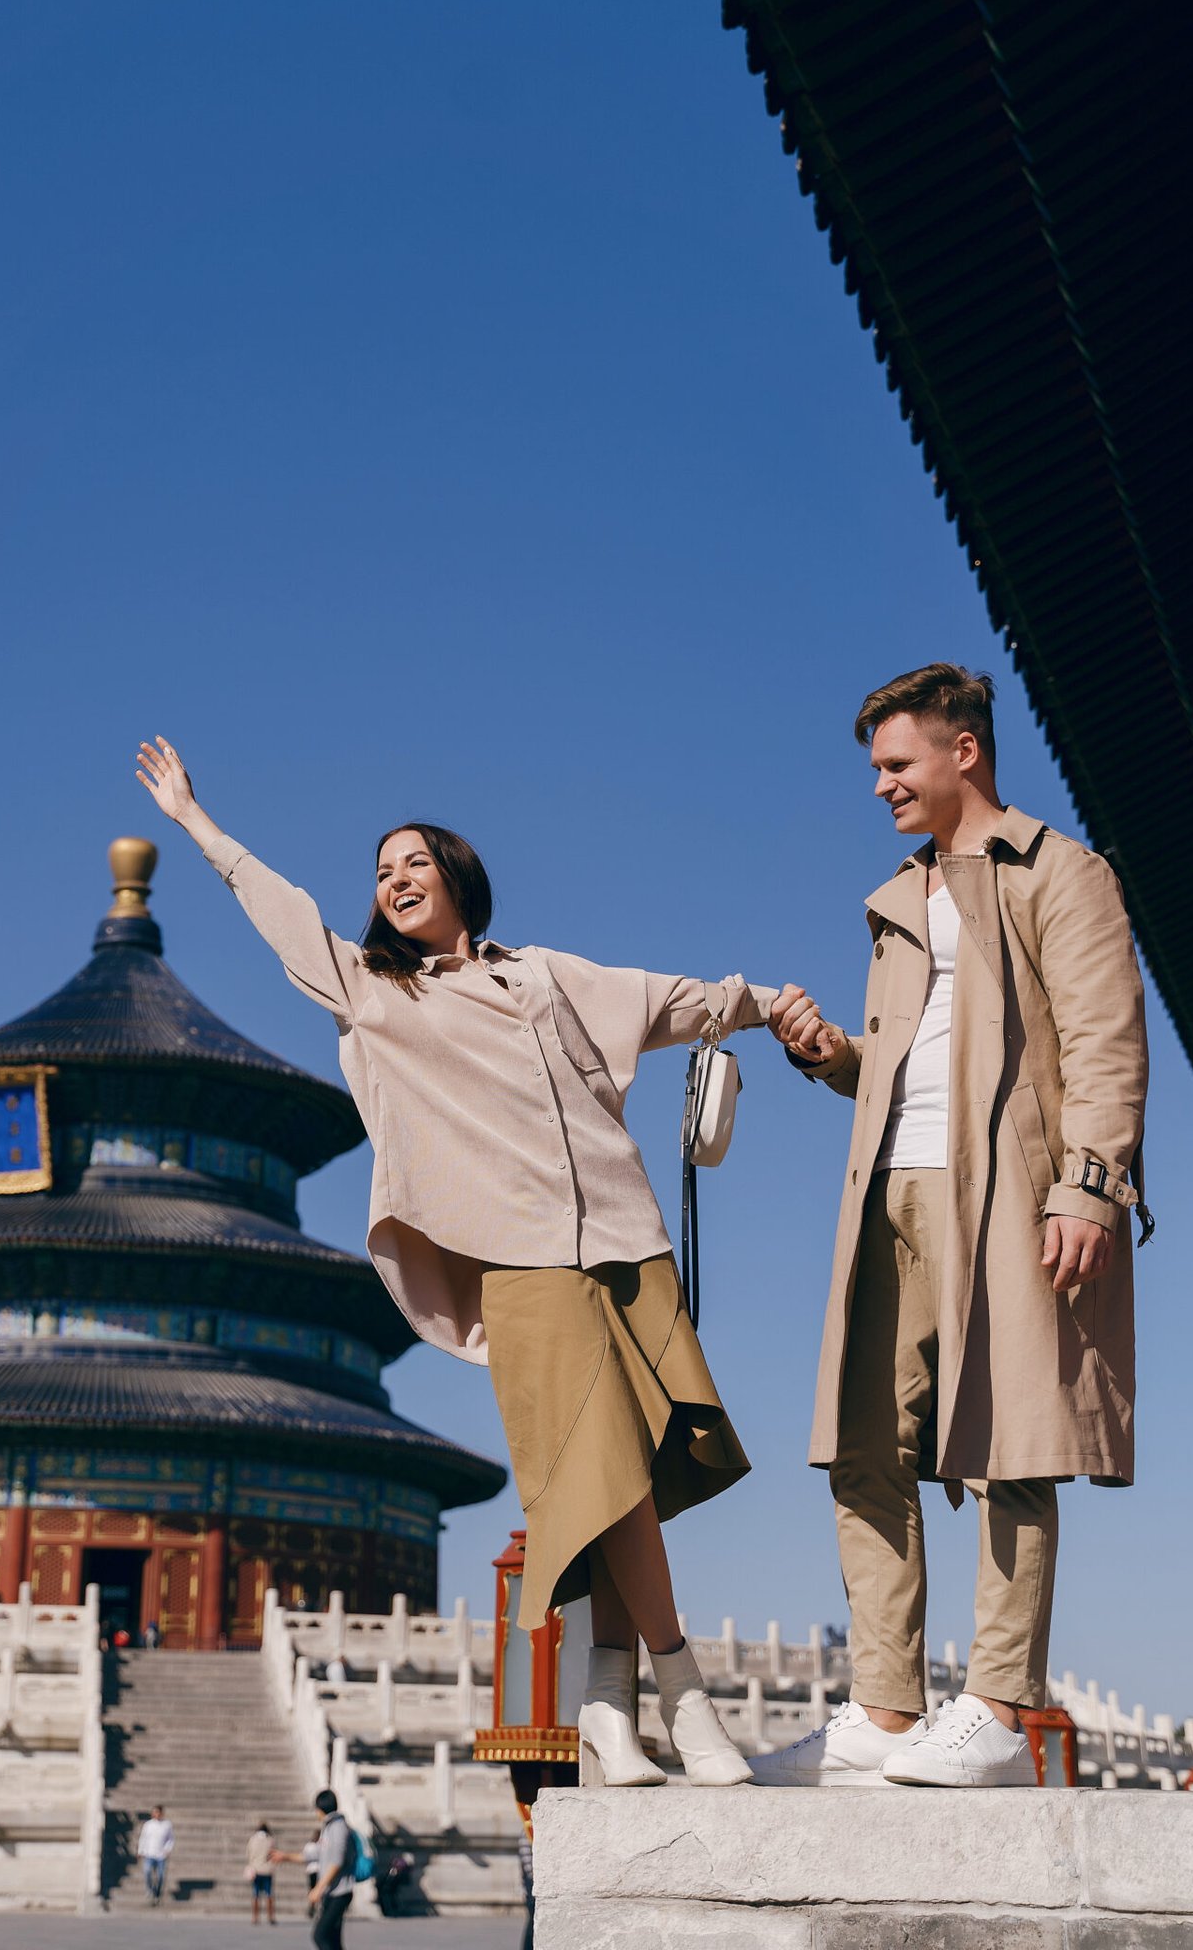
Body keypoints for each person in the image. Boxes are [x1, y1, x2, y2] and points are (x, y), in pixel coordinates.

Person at [136, 735, 781, 1789]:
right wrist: (198, 825)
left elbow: (676, 1003)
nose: (391, 883)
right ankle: (685, 1693)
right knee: (599, 1473)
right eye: (380, 873)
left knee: (638, 1478)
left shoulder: (547, 975)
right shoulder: (380, 993)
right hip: (520, 1260)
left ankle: (607, 1721)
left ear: (458, 880)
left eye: (412, 866)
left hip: (627, 1238)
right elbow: (287, 917)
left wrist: (770, 1006)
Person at [758, 665, 1149, 1790]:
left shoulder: (1059, 874)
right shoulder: (897, 898)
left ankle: (994, 1708)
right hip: (886, 1190)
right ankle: (882, 1715)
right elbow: (913, 1065)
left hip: (1013, 1195)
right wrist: (833, 1058)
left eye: (895, 764)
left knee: (1012, 1444)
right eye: (874, 769)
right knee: (860, 1444)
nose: (879, 787)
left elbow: (1104, 1039)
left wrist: (1088, 1182)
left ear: (962, 751)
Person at [306, 1789, 356, 1950]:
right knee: (334, 1940)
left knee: (320, 1935)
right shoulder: (328, 1827)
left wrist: (318, 1889)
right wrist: (285, 1856)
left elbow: (336, 1862)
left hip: (340, 1892)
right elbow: (317, 1854)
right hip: (332, 1892)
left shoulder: (338, 1827)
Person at [137, 1805, 175, 1903]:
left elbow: (171, 1838)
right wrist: (141, 1850)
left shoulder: (167, 1825)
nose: (155, 1814)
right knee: (147, 1872)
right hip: (149, 1853)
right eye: (154, 1812)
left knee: (161, 1875)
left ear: (161, 1813)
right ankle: (150, 1890)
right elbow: (143, 1838)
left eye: (157, 1812)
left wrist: (167, 1849)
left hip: (161, 1855)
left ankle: (157, 1892)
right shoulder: (148, 1825)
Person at [244, 1820, 277, 1925]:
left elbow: (248, 1854)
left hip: (256, 1870)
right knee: (269, 1894)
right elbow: (274, 1854)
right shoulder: (271, 1840)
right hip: (267, 1870)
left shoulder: (252, 1840)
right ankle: (270, 1916)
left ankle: (255, 1917)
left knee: (256, 1894)